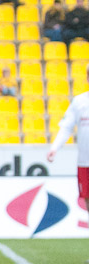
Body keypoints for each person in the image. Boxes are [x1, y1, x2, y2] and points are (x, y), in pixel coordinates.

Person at [47, 65, 89, 248]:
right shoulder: (79, 102)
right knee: (87, 201)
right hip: (84, 163)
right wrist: (55, 148)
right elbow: (66, 127)